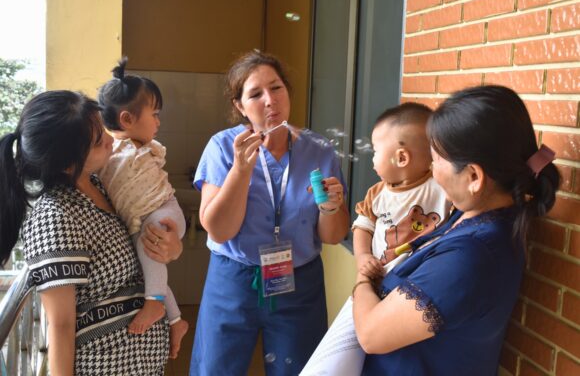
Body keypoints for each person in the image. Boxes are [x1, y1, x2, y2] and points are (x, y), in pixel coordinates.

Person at [352, 85, 560, 375]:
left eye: (435, 160)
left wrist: (363, 281)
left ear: (474, 176)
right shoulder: (471, 212)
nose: (432, 172)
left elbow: (372, 335)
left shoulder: (471, 257)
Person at [190, 50, 350, 375]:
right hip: (234, 278)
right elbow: (219, 230)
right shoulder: (223, 148)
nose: (269, 100)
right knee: (216, 369)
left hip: (299, 281)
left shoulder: (318, 150)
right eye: (255, 94)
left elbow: (332, 236)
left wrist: (332, 207)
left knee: (299, 368)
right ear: (239, 106)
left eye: (276, 88)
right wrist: (241, 170)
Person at [0, 90, 183, 375]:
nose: (111, 140)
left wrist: (171, 246)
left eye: (104, 129)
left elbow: (146, 238)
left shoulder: (103, 184)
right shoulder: (56, 216)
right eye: (99, 141)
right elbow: (60, 326)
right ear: (66, 164)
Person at [97, 58, 189, 359]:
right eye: (155, 114)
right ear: (126, 119)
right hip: (151, 218)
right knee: (149, 262)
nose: (159, 122)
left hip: (164, 211)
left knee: (149, 254)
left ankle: (154, 302)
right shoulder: (111, 153)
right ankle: (175, 320)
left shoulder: (135, 149)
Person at [352, 102, 451, 280]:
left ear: (401, 158)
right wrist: (363, 257)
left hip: (420, 280)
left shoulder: (442, 187)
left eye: (375, 151)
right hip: (378, 278)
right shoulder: (376, 193)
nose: (372, 158)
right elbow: (362, 227)